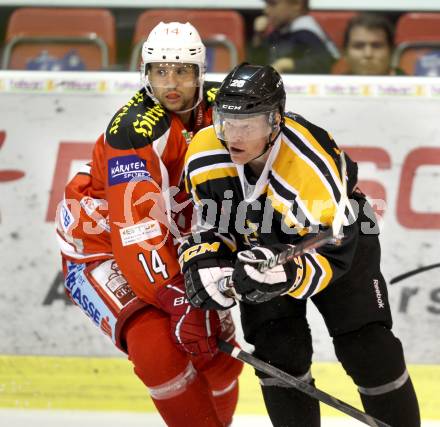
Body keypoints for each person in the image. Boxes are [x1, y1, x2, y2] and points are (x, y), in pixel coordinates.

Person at [180, 63, 421, 427]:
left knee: (368, 348)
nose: (234, 136)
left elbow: (334, 247)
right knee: (278, 352)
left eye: (249, 124)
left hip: (340, 238)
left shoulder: (308, 171)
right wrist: (203, 258)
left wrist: (288, 273)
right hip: (258, 242)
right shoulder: (203, 155)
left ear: (275, 121)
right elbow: (207, 221)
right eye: (226, 121)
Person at [55, 22, 242, 427]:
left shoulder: (224, 110)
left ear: (201, 73)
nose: (171, 83)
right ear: (145, 74)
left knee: (219, 357)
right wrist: (177, 297)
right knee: (158, 351)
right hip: (101, 246)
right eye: (160, 71)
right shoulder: (133, 132)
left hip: (171, 237)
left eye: (182, 72)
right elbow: (134, 231)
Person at [248, 0, 339, 74]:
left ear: (297, 4)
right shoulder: (281, 31)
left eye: (272, 4)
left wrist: (287, 64)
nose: (266, 10)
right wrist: (258, 37)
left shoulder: (307, 33)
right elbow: (257, 64)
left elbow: (322, 64)